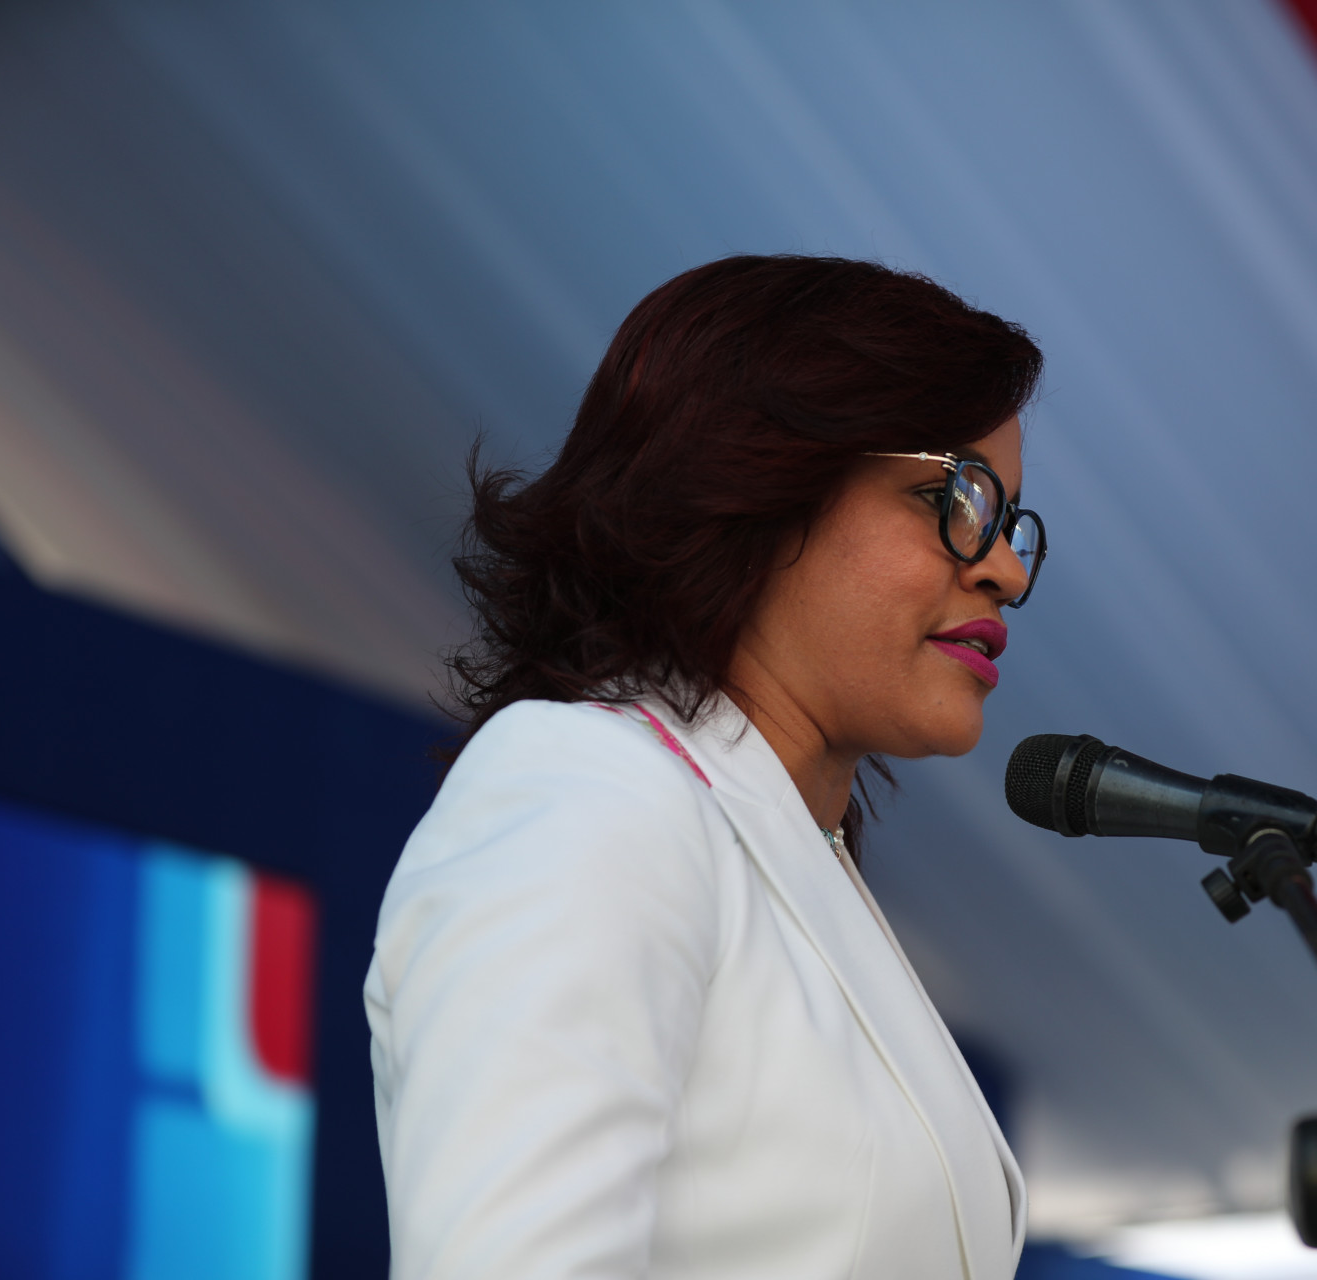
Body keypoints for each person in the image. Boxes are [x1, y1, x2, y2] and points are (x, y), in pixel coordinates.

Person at [364, 255, 1048, 1279]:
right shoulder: (589, 788)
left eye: (1007, 518)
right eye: (953, 494)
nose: (1005, 566)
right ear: (758, 478)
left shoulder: (794, 858)